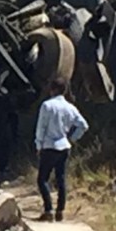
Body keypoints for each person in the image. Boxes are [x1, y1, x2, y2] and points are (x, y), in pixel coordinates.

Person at [34, 78, 89, 222]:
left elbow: (41, 128)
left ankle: (48, 209)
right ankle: (60, 211)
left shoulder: (47, 105)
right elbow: (83, 125)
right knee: (61, 179)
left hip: (49, 146)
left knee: (42, 179)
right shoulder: (70, 107)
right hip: (64, 146)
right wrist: (72, 138)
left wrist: (38, 145)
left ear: (52, 89)